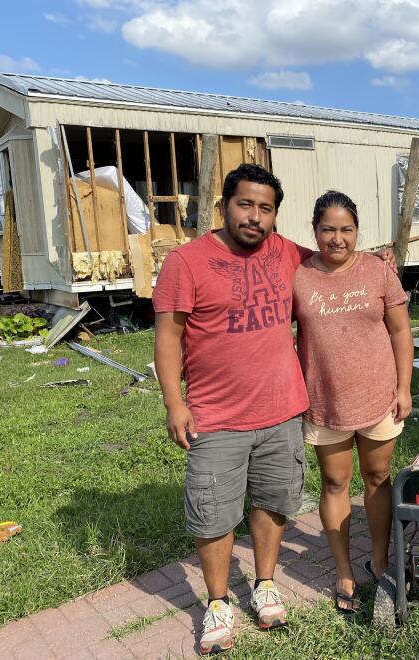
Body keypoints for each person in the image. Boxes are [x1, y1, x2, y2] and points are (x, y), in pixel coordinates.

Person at [153, 164, 310, 655]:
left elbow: (334, 260)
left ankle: (264, 583)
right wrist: (174, 404)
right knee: (214, 516)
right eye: (246, 204)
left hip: (282, 410)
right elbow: (168, 336)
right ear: (224, 206)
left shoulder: (286, 252)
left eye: (265, 209)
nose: (255, 217)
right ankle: (218, 602)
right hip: (216, 416)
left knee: (272, 503)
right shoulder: (187, 262)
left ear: (275, 216)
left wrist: (378, 257)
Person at [292, 190, 413, 614]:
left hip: (379, 396)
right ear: (315, 230)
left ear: (357, 231)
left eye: (347, 229)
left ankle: (380, 559)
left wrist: (404, 388)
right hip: (325, 401)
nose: (338, 239)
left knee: (378, 478)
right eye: (329, 229)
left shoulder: (378, 271)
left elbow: (400, 331)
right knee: (335, 484)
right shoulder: (298, 275)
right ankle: (344, 571)